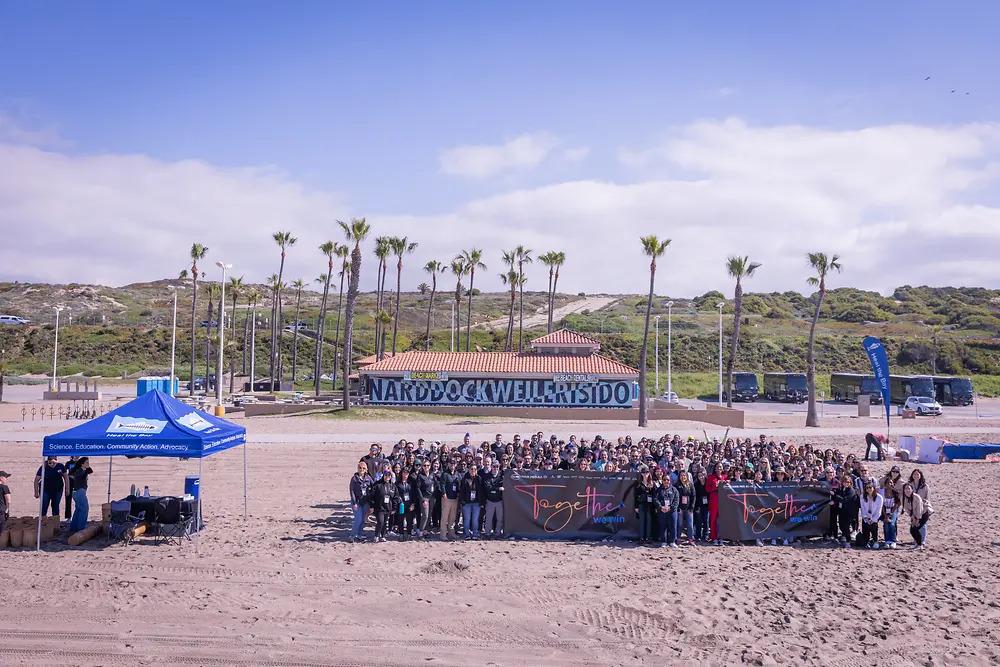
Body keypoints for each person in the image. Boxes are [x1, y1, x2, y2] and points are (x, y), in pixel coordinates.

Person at [369, 472, 398, 543]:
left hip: (388, 507)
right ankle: (376, 535)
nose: (387, 477)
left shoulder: (392, 486)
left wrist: (394, 508)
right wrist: (372, 506)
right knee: (380, 521)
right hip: (379, 507)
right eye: (386, 475)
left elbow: (395, 497)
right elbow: (371, 496)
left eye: (389, 476)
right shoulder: (377, 484)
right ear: (383, 476)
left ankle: (383, 536)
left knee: (385, 522)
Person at [349, 462, 373, 542]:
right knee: (358, 519)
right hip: (357, 502)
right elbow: (352, 491)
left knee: (363, 519)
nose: (361, 470)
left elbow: (374, 486)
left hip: (365, 502)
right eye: (360, 468)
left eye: (363, 468)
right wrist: (354, 502)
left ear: (366, 469)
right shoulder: (354, 479)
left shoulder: (368, 478)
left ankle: (360, 534)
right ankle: (352, 535)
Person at [833, 474, 859, 548]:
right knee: (841, 525)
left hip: (849, 512)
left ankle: (848, 541)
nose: (846, 483)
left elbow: (844, 500)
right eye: (845, 482)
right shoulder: (841, 489)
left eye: (848, 482)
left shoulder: (851, 490)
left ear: (850, 483)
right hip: (842, 510)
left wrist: (835, 495)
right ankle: (844, 537)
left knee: (846, 526)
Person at [69, 457, 93, 533]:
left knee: (78, 509)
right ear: (82, 464)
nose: (88, 464)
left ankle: (74, 527)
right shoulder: (80, 471)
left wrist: (86, 467)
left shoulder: (82, 470)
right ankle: (81, 527)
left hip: (77, 492)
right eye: (86, 463)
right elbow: (76, 476)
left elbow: (91, 471)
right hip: (79, 492)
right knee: (84, 509)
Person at [654, 476, 679, 548]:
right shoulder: (658, 490)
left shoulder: (674, 490)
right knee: (663, 526)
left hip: (672, 511)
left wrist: (670, 508)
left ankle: (672, 541)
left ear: (670, 480)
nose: (666, 481)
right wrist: (660, 507)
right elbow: (655, 499)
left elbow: (676, 500)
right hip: (662, 511)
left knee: (673, 526)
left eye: (667, 479)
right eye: (664, 480)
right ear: (662, 481)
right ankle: (663, 541)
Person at [460, 465, 484, 540]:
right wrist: (462, 501)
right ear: (469, 470)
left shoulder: (479, 479)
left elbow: (482, 491)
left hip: (476, 503)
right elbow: (461, 491)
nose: (473, 470)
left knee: (475, 519)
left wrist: (481, 502)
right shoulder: (465, 479)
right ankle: (466, 534)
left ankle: (475, 534)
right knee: (467, 519)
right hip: (467, 503)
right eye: (471, 469)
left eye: (475, 469)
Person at [439, 460, 461, 541]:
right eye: (451, 463)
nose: (452, 465)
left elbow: (459, 485)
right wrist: (444, 493)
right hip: (446, 498)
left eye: (454, 463)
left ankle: (451, 533)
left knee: (452, 517)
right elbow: (442, 484)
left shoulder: (457, 474)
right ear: (448, 464)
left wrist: (459, 494)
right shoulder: (445, 474)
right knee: (445, 517)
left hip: (455, 498)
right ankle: (443, 534)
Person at [706, 463, 727, 545]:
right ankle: (714, 538)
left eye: (721, 467)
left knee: (722, 520)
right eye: (718, 467)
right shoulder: (711, 477)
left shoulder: (725, 477)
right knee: (713, 520)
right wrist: (716, 486)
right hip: (714, 501)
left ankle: (721, 538)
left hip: (723, 501)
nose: (719, 468)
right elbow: (707, 489)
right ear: (715, 468)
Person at [858, 480, 883, 549]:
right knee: (865, 526)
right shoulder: (862, 497)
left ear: (873, 488)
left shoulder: (879, 498)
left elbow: (879, 510)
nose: (869, 489)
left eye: (870, 487)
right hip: (866, 516)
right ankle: (866, 541)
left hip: (875, 516)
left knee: (874, 526)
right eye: (867, 488)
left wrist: (874, 519)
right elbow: (862, 508)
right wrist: (865, 518)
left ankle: (875, 541)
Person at [901, 482, 927, 549]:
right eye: (906, 489)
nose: (907, 490)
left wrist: (917, 519)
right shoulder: (903, 498)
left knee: (916, 528)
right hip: (914, 515)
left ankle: (920, 544)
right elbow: (906, 509)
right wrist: (912, 517)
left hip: (923, 513)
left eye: (909, 488)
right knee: (912, 530)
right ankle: (918, 544)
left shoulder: (916, 497)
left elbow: (919, 509)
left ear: (912, 490)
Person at [414, 460, 436, 538]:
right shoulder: (420, 476)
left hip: (432, 497)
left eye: (428, 465)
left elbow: (435, 484)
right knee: (425, 515)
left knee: (429, 515)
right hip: (425, 498)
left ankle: (425, 530)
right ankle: (420, 531)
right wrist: (423, 499)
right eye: (425, 465)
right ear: (422, 467)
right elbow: (418, 488)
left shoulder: (432, 475)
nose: (426, 467)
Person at [483, 461, 504, 538]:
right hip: (490, 500)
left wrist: (494, 489)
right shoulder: (487, 477)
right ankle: (487, 533)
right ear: (491, 467)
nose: (496, 468)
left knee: (499, 518)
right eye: (494, 466)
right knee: (488, 518)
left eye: (497, 467)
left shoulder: (501, 477)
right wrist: (498, 489)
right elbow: (488, 488)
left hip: (499, 501)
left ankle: (497, 533)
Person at [395, 468, 416, 540]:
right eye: (404, 472)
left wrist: (413, 503)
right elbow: (396, 493)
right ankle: (401, 534)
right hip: (401, 504)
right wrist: (399, 500)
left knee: (409, 520)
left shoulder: (411, 483)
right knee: (400, 519)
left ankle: (409, 534)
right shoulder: (398, 483)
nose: (405, 474)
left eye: (407, 473)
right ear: (401, 473)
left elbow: (414, 494)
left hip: (409, 503)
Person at [675, 471, 696, 545]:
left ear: (687, 476)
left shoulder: (690, 485)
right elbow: (676, 497)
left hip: (689, 508)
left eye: (684, 475)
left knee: (690, 525)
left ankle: (690, 539)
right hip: (680, 508)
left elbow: (693, 496)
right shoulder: (676, 485)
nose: (683, 477)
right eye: (681, 475)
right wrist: (678, 508)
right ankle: (678, 538)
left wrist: (692, 507)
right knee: (679, 525)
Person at [634, 468, 654, 544]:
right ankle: (642, 538)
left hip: (649, 505)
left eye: (647, 472)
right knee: (642, 521)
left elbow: (654, 495)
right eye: (644, 472)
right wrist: (636, 506)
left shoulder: (651, 483)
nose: (645, 474)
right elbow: (635, 496)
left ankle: (648, 538)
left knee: (649, 521)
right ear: (641, 473)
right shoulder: (638, 483)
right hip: (641, 504)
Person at [881, 481, 900, 549]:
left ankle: (893, 541)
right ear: (885, 484)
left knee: (892, 524)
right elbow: (881, 504)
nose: (890, 484)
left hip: (893, 510)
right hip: (884, 510)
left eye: (891, 483)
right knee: (886, 524)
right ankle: (887, 541)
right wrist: (885, 515)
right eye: (888, 483)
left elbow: (897, 503)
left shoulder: (895, 492)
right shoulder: (882, 492)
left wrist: (891, 513)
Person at [694, 470, 710, 542]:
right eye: (699, 476)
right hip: (698, 504)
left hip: (707, 504)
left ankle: (706, 535)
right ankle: (698, 535)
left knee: (706, 520)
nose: (701, 477)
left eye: (702, 475)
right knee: (699, 520)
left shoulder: (708, 483)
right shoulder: (696, 484)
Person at [0, 470, 11, 536]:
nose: (6, 479)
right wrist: (6, 511)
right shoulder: (4, 487)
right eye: (5, 477)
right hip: (1, 512)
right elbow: (8, 501)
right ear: (1, 478)